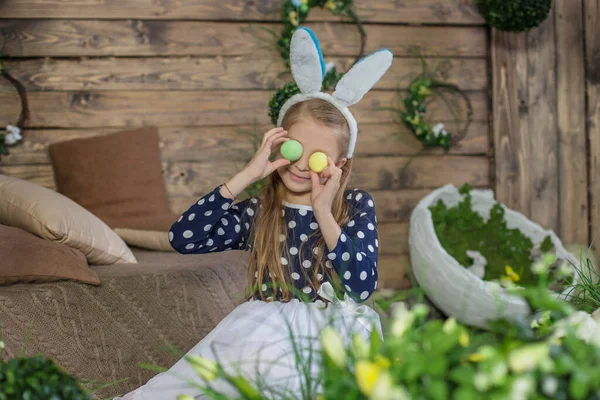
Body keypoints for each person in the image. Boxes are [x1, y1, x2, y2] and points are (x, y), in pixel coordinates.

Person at [116, 27, 393, 399]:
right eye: (294, 149)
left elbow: (360, 287)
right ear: (278, 142)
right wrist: (247, 174)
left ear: (340, 164)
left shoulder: (356, 205)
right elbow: (183, 238)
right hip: (263, 326)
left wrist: (323, 211)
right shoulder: (260, 211)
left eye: (317, 158)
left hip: (336, 332)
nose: (300, 167)